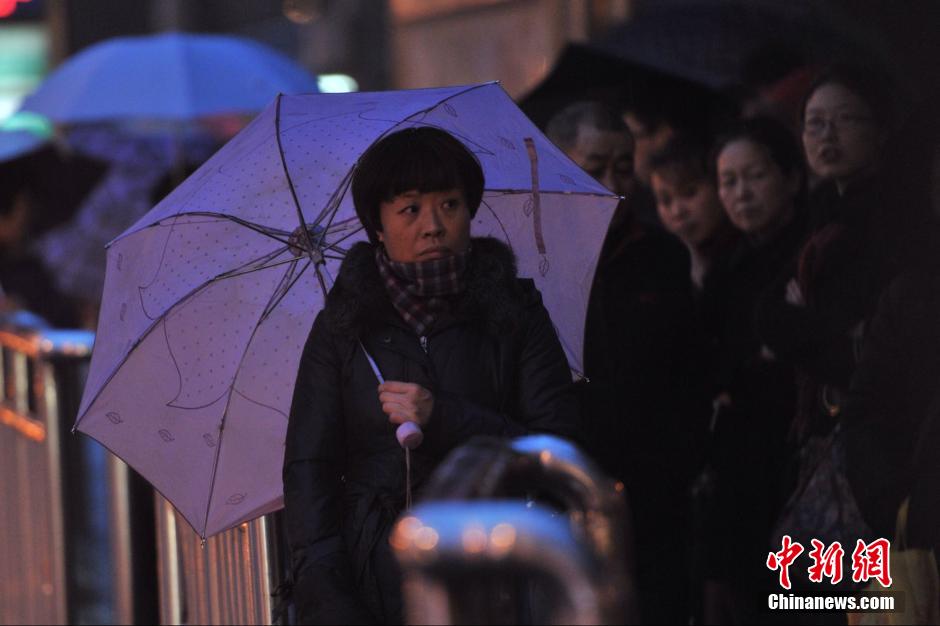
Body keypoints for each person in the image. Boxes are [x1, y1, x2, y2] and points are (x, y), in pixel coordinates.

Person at [282, 127, 580, 624]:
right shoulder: (343, 327)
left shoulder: (515, 312)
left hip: (497, 574)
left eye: (450, 205)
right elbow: (309, 468)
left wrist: (443, 416)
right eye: (410, 209)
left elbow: (557, 451)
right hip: (375, 581)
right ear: (377, 225)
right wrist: (329, 597)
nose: (433, 226)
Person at [547, 101, 705, 625]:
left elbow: (688, 371)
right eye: (594, 167)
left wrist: (680, 461)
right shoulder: (534, 257)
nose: (613, 180)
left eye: (623, 165)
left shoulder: (662, 255)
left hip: (655, 495)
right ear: (557, 161)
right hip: (563, 490)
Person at [699, 116, 809, 623]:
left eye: (755, 176)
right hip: (744, 470)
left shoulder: (817, 253)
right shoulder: (724, 270)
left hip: (802, 454)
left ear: (791, 177)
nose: (741, 193)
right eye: (728, 181)